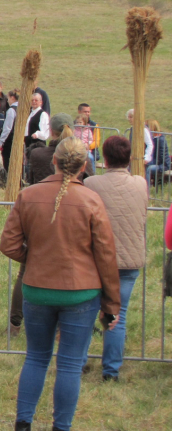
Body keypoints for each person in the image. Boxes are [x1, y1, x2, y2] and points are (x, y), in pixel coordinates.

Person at [0, 136, 120, 431]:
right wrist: (112, 304)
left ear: (53, 160)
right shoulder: (91, 200)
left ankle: (23, 423)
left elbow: (9, 244)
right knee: (69, 364)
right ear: (84, 166)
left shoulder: (28, 195)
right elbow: (106, 254)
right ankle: (61, 426)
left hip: (37, 288)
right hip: (81, 292)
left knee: (36, 358)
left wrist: (34, 258)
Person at [84, 136, 148, 382]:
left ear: (106, 158)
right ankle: (110, 370)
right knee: (116, 316)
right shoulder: (141, 184)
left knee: (86, 313)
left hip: (97, 259)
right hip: (129, 260)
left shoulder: (91, 183)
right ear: (129, 157)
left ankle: (77, 362)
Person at [10, 113, 76, 336]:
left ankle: (15, 323)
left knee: (25, 272)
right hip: (70, 218)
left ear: (53, 131)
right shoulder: (77, 157)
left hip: (39, 215)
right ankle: (62, 324)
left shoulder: (38, 154)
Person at [0, 90, 20, 174]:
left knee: (7, 161)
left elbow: (7, 128)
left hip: (10, 140)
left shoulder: (11, 110)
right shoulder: (22, 109)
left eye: (8, 98)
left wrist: (1, 142)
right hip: (19, 139)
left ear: (12, 98)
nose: (7, 100)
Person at [145, 119, 169, 188]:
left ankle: (147, 188)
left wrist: (149, 162)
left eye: (147, 126)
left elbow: (161, 158)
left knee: (149, 168)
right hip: (155, 162)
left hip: (162, 165)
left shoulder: (160, 140)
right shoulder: (152, 139)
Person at [73, 109, 97, 176]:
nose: (78, 124)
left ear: (84, 123)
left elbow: (90, 139)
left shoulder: (88, 131)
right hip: (76, 149)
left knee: (90, 158)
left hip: (85, 150)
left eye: (80, 122)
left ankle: (93, 173)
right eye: (77, 122)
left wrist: (87, 144)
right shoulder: (74, 130)